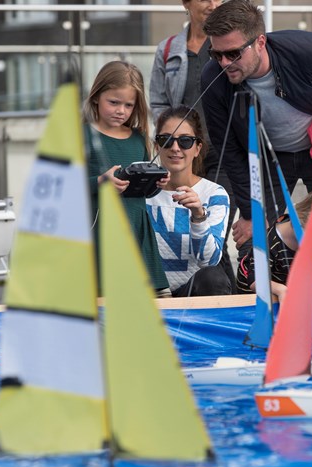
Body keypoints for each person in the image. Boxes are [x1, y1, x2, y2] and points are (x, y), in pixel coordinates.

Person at [200, 0, 312, 254]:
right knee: (254, 242)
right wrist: (250, 213)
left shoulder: (310, 52)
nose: (225, 63)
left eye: (234, 53)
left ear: (260, 42)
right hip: (269, 158)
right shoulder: (213, 78)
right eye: (216, 54)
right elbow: (228, 150)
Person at [149, 0, 239, 291]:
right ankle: (217, 296)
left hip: (223, 153)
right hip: (182, 148)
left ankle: (223, 299)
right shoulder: (168, 49)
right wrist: (173, 136)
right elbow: (158, 101)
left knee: (214, 234)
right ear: (186, 3)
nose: (213, 4)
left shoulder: (232, 46)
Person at [84, 60, 170, 295]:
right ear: (96, 97)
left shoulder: (138, 138)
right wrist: (100, 181)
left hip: (135, 229)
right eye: (113, 102)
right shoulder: (82, 135)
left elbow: (142, 192)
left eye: (128, 105)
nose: (121, 110)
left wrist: (155, 184)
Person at [146, 106, 231, 297]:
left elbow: (209, 261)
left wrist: (199, 217)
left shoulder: (214, 194)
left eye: (185, 141)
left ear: (198, 148)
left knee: (214, 277)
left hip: (192, 293)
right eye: (166, 140)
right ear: (157, 146)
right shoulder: (142, 189)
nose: (175, 148)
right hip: (145, 293)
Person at [236, 189, 312, 304]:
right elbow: (255, 280)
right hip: (254, 293)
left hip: (287, 287)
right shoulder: (269, 244)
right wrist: (280, 290)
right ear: (300, 223)